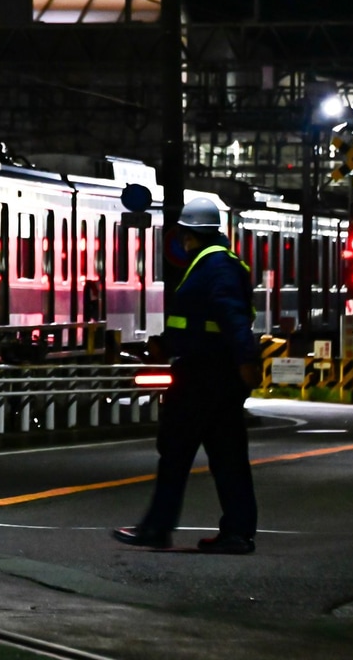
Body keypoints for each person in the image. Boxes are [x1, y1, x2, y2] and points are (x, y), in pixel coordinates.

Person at [113, 197, 261, 554]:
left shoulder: (215, 268)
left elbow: (231, 318)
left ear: (190, 235)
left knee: (178, 452)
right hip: (211, 372)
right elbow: (200, 322)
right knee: (226, 457)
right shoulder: (213, 265)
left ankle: (159, 528)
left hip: (204, 375)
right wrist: (166, 344)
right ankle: (234, 532)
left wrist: (246, 361)